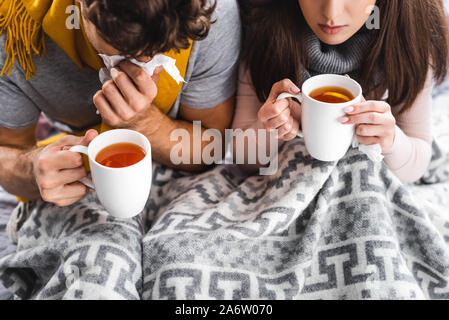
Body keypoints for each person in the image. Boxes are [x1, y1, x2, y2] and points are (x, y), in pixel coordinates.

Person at [0, 0, 241, 299]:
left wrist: (144, 123)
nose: (148, 60)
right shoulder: (16, 27)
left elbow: (212, 146)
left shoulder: (209, 12)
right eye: (125, 50)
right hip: (76, 185)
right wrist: (32, 168)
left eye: (162, 48)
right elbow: (6, 152)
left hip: (181, 175)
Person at [234, 0, 449, 183]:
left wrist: (391, 140)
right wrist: (274, 129)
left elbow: (418, 161)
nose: (331, 14)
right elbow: (241, 159)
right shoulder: (264, 23)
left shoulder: (410, 34)